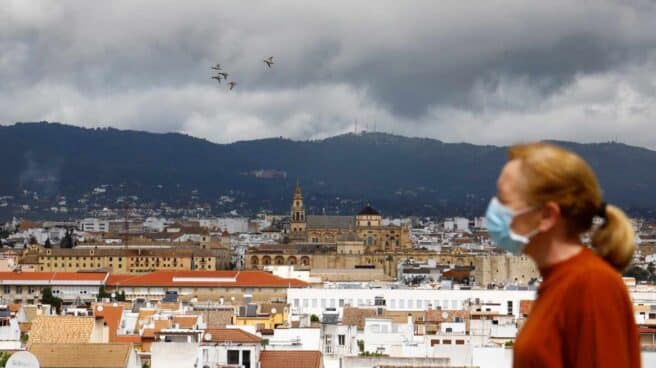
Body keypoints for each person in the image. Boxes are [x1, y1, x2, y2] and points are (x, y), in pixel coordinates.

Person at [485, 142, 640, 368]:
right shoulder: (557, 283)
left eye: (504, 201)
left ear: (548, 215)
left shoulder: (591, 284)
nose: (494, 210)